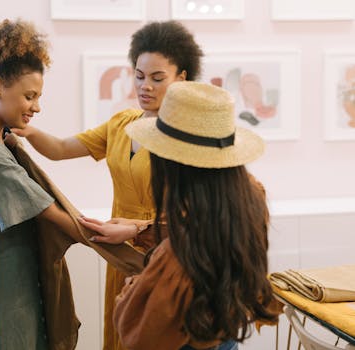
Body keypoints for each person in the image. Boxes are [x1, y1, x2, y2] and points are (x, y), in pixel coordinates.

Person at [12, 20, 204, 350]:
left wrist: (135, 229)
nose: (146, 86)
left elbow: (196, 216)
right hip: (119, 252)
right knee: (121, 335)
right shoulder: (122, 123)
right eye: (140, 76)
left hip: (165, 255)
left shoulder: (191, 136)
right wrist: (23, 130)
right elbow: (60, 149)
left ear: (181, 79)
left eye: (158, 78)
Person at [78, 81, 282, 350]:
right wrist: (138, 229)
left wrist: (133, 287)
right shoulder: (248, 198)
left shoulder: (181, 253)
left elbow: (141, 336)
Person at [0, 19, 83, 349]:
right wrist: (105, 235)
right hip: (1, 287)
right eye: (29, 96)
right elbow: (52, 216)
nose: (36, 106)